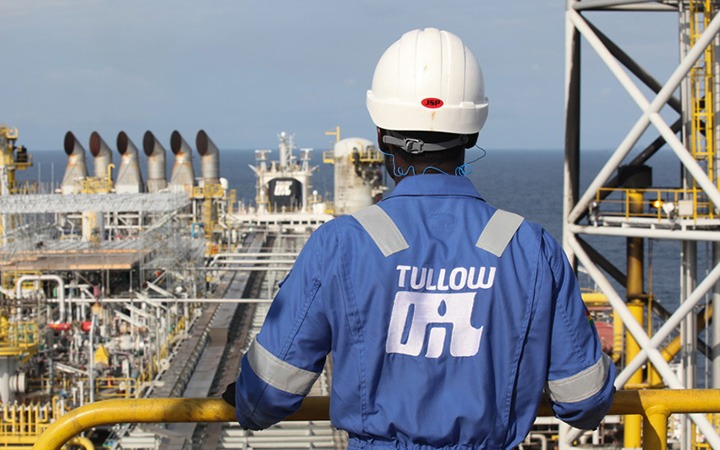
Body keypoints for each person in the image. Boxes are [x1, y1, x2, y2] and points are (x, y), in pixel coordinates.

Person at [228, 28, 616, 449]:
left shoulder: (341, 244)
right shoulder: (530, 247)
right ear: (473, 134)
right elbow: (584, 401)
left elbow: (266, 395)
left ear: (381, 134)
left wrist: (244, 400)